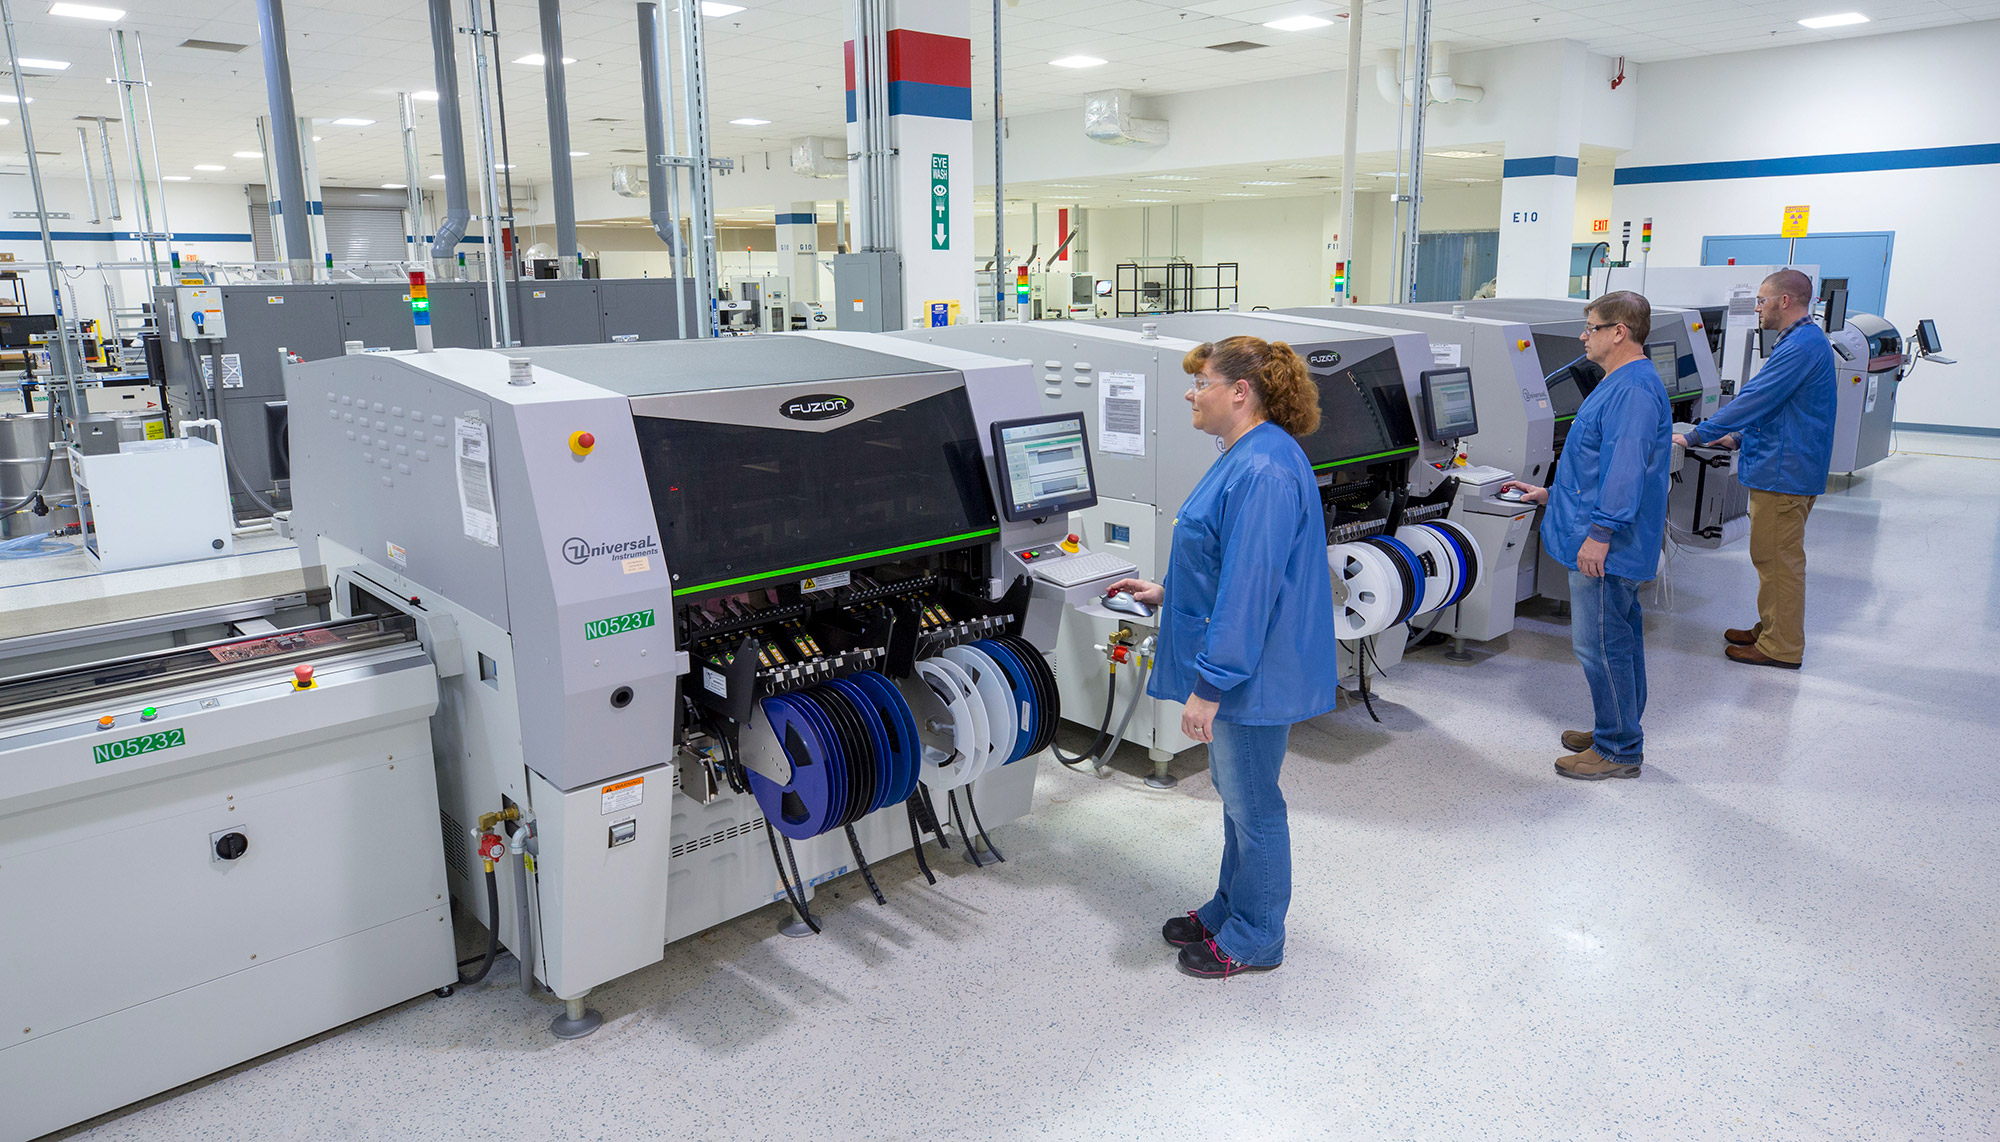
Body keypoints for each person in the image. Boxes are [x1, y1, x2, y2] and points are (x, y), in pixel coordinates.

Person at [1106, 335, 1341, 980]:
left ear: (1241, 392)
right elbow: (1222, 559)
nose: (1191, 391)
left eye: (1201, 380)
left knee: (1252, 802)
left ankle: (1257, 937)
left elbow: (1249, 588)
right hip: (1247, 663)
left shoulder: (1263, 467)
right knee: (1236, 794)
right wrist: (1166, 590)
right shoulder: (1246, 454)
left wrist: (1210, 687)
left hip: (1250, 673)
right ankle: (1229, 909)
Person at [1500, 291, 1674, 781]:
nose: (1583, 336)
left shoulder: (1633, 390)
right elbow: (1595, 466)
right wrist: (1549, 494)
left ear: (1619, 331)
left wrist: (1600, 533)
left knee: (1601, 645)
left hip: (1608, 544)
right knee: (1618, 635)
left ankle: (1618, 749)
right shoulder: (1621, 382)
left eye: (1591, 327)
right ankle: (1614, 728)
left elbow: (1623, 472)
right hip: (1603, 531)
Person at [1673, 268, 1836, 669]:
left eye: (1763, 300)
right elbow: (1782, 406)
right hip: (1788, 462)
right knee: (1773, 557)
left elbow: (1757, 397)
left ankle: (1781, 646)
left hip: (1785, 473)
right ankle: (1771, 626)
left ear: (1785, 301)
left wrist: (1695, 436)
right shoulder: (1802, 340)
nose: (1758, 307)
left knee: (1777, 559)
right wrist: (1738, 437)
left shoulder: (1800, 345)